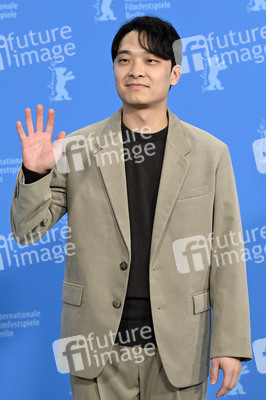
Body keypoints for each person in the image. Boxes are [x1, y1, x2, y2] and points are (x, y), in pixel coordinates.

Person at [10, 16, 252, 400]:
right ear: (113, 69)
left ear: (174, 74)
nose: (135, 70)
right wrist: (34, 173)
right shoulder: (76, 148)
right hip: (96, 350)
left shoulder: (211, 153)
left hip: (180, 347)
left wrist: (230, 343)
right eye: (124, 60)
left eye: (151, 61)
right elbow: (26, 231)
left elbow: (227, 256)